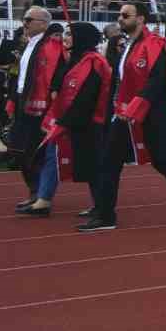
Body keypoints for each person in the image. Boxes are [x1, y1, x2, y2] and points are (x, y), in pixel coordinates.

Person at [86, 3, 166, 232]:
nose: (120, 19)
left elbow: (157, 81)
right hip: (124, 114)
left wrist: (136, 107)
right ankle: (104, 214)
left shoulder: (154, 45)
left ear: (141, 18)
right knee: (109, 161)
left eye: (125, 15)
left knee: (164, 163)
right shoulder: (129, 46)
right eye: (119, 15)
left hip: (151, 114)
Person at [36, 22, 112, 216]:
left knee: (94, 167)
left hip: (90, 123)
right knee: (88, 167)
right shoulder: (75, 59)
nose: (65, 38)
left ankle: (103, 209)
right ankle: (99, 206)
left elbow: (87, 96)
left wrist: (66, 121)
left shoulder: (94, 61)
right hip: (75, 122)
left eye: (70, 34)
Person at [8, 6, 66, 214]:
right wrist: (13, 100)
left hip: (41, 105)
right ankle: (35, 192)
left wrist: (52, 96)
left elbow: (56, 73)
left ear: (43, 23)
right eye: (25, 19)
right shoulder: (30, 45)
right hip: (24, 101)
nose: (24, 23)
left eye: (28, 19)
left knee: (34, 151)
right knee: (19, 150)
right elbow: (20, 76)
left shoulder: (51, 45)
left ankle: (41, 197)